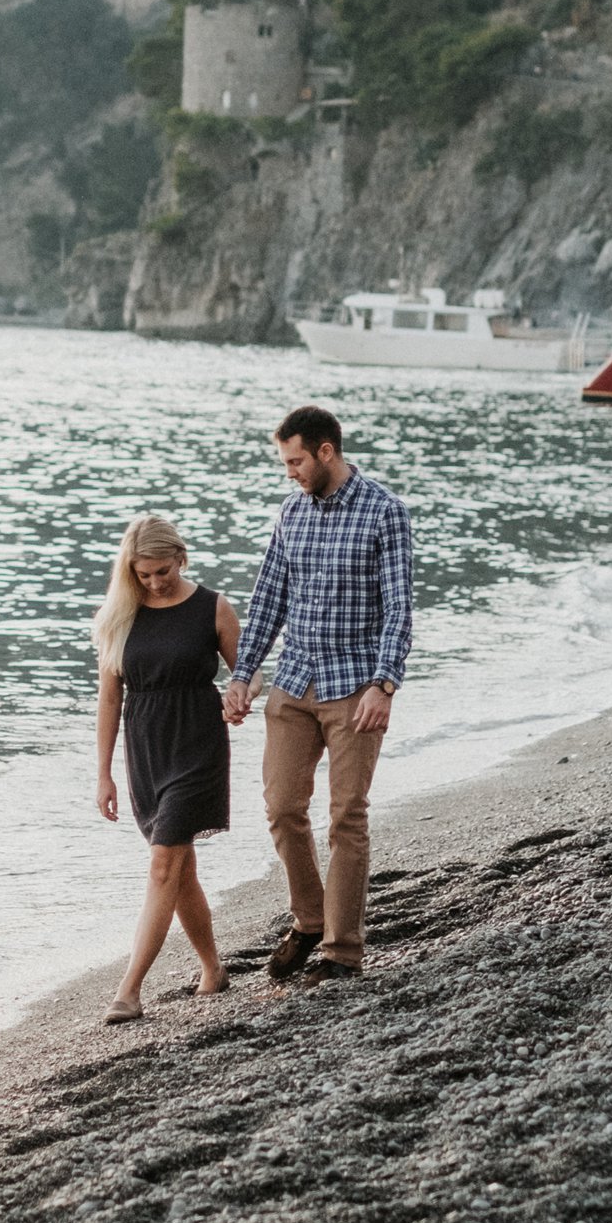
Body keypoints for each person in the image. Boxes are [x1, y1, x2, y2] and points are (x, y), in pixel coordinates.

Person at [222, 405, 412, 987]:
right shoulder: (291, 511)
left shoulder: (386, 513)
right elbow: (269, 598)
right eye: (286, 462)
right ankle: (308, 919)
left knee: (346, 819)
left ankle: (341, 952)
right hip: (294, 682)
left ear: (326, 452)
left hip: (355, 689)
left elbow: (399, 608)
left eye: (296, 460)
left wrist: (385, 684)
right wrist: (242, 674)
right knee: (282, 809)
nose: (290, 473)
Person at [93, 514, 240, 1024]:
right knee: (179, 871)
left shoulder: (212, 607)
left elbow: (247, 669)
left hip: (198, 742)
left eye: (163, 571)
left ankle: (129, 991)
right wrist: (104, 773)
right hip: (145, 748)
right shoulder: (119, 616)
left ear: (181, 556)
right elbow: (110, 699)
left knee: (162, 866)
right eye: (144, 574)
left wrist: (244, 693)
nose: (155, 582)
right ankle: (213, 969)